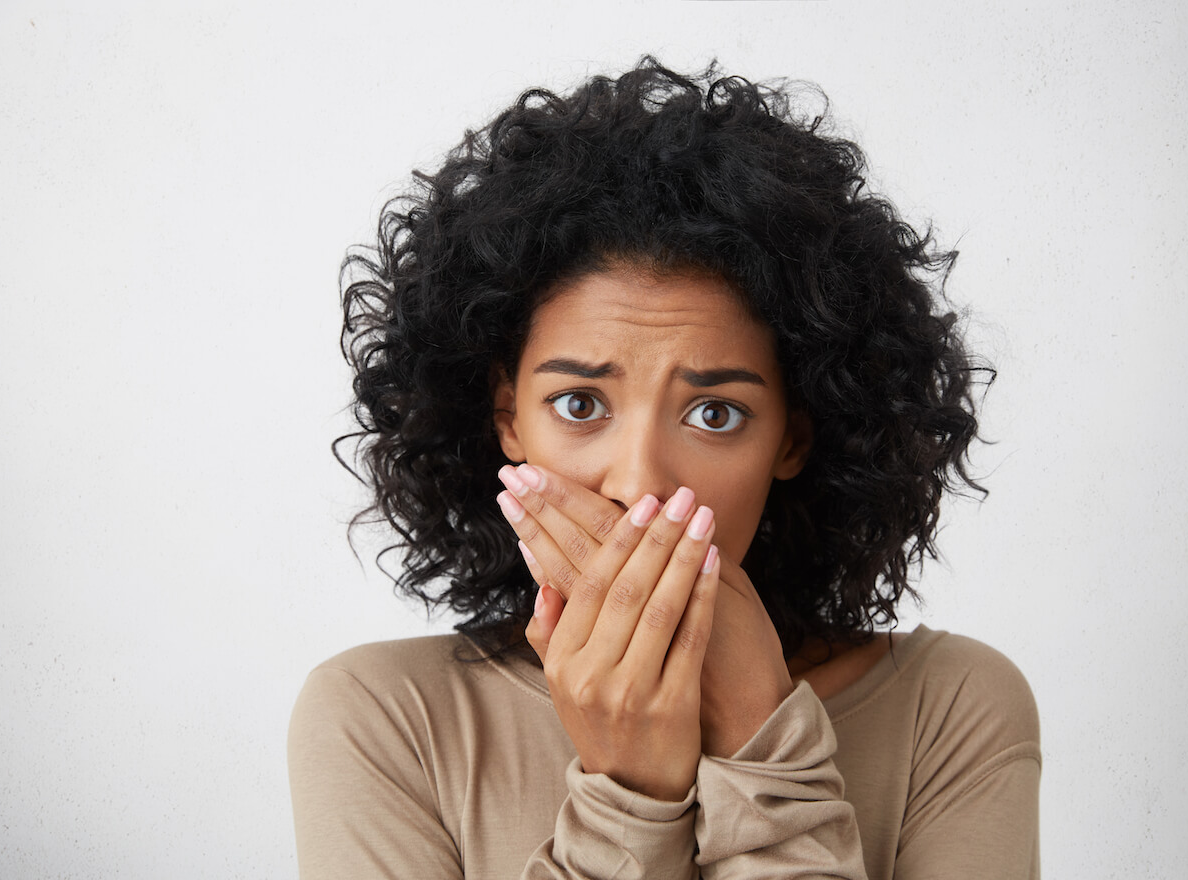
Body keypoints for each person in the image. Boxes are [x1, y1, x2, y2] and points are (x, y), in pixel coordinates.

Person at [288, 58, 1040, 879]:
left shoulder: (952, 707)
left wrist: (765, 743)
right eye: (580, 404)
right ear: (508, 418)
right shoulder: (380, 719)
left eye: (714, 413)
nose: (639, 482)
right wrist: (630, 795)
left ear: (793, 438)